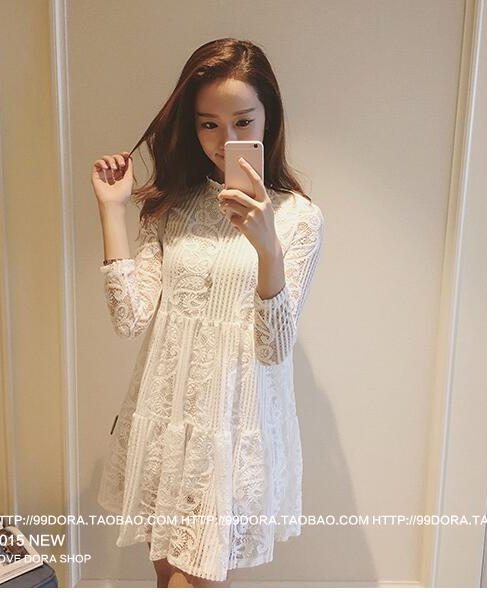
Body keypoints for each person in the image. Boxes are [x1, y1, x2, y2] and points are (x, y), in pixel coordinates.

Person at [91, 37, 324, 588]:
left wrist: (267, 248)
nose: (225, 141)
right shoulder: (172, 206)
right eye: (208, 125)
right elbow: (129, 317)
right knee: (167, 578)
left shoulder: (298, 219)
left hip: (231, 431)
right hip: (165, 422)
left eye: (243, 122)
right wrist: (112, 211)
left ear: (269, 117)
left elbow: (273, 347)